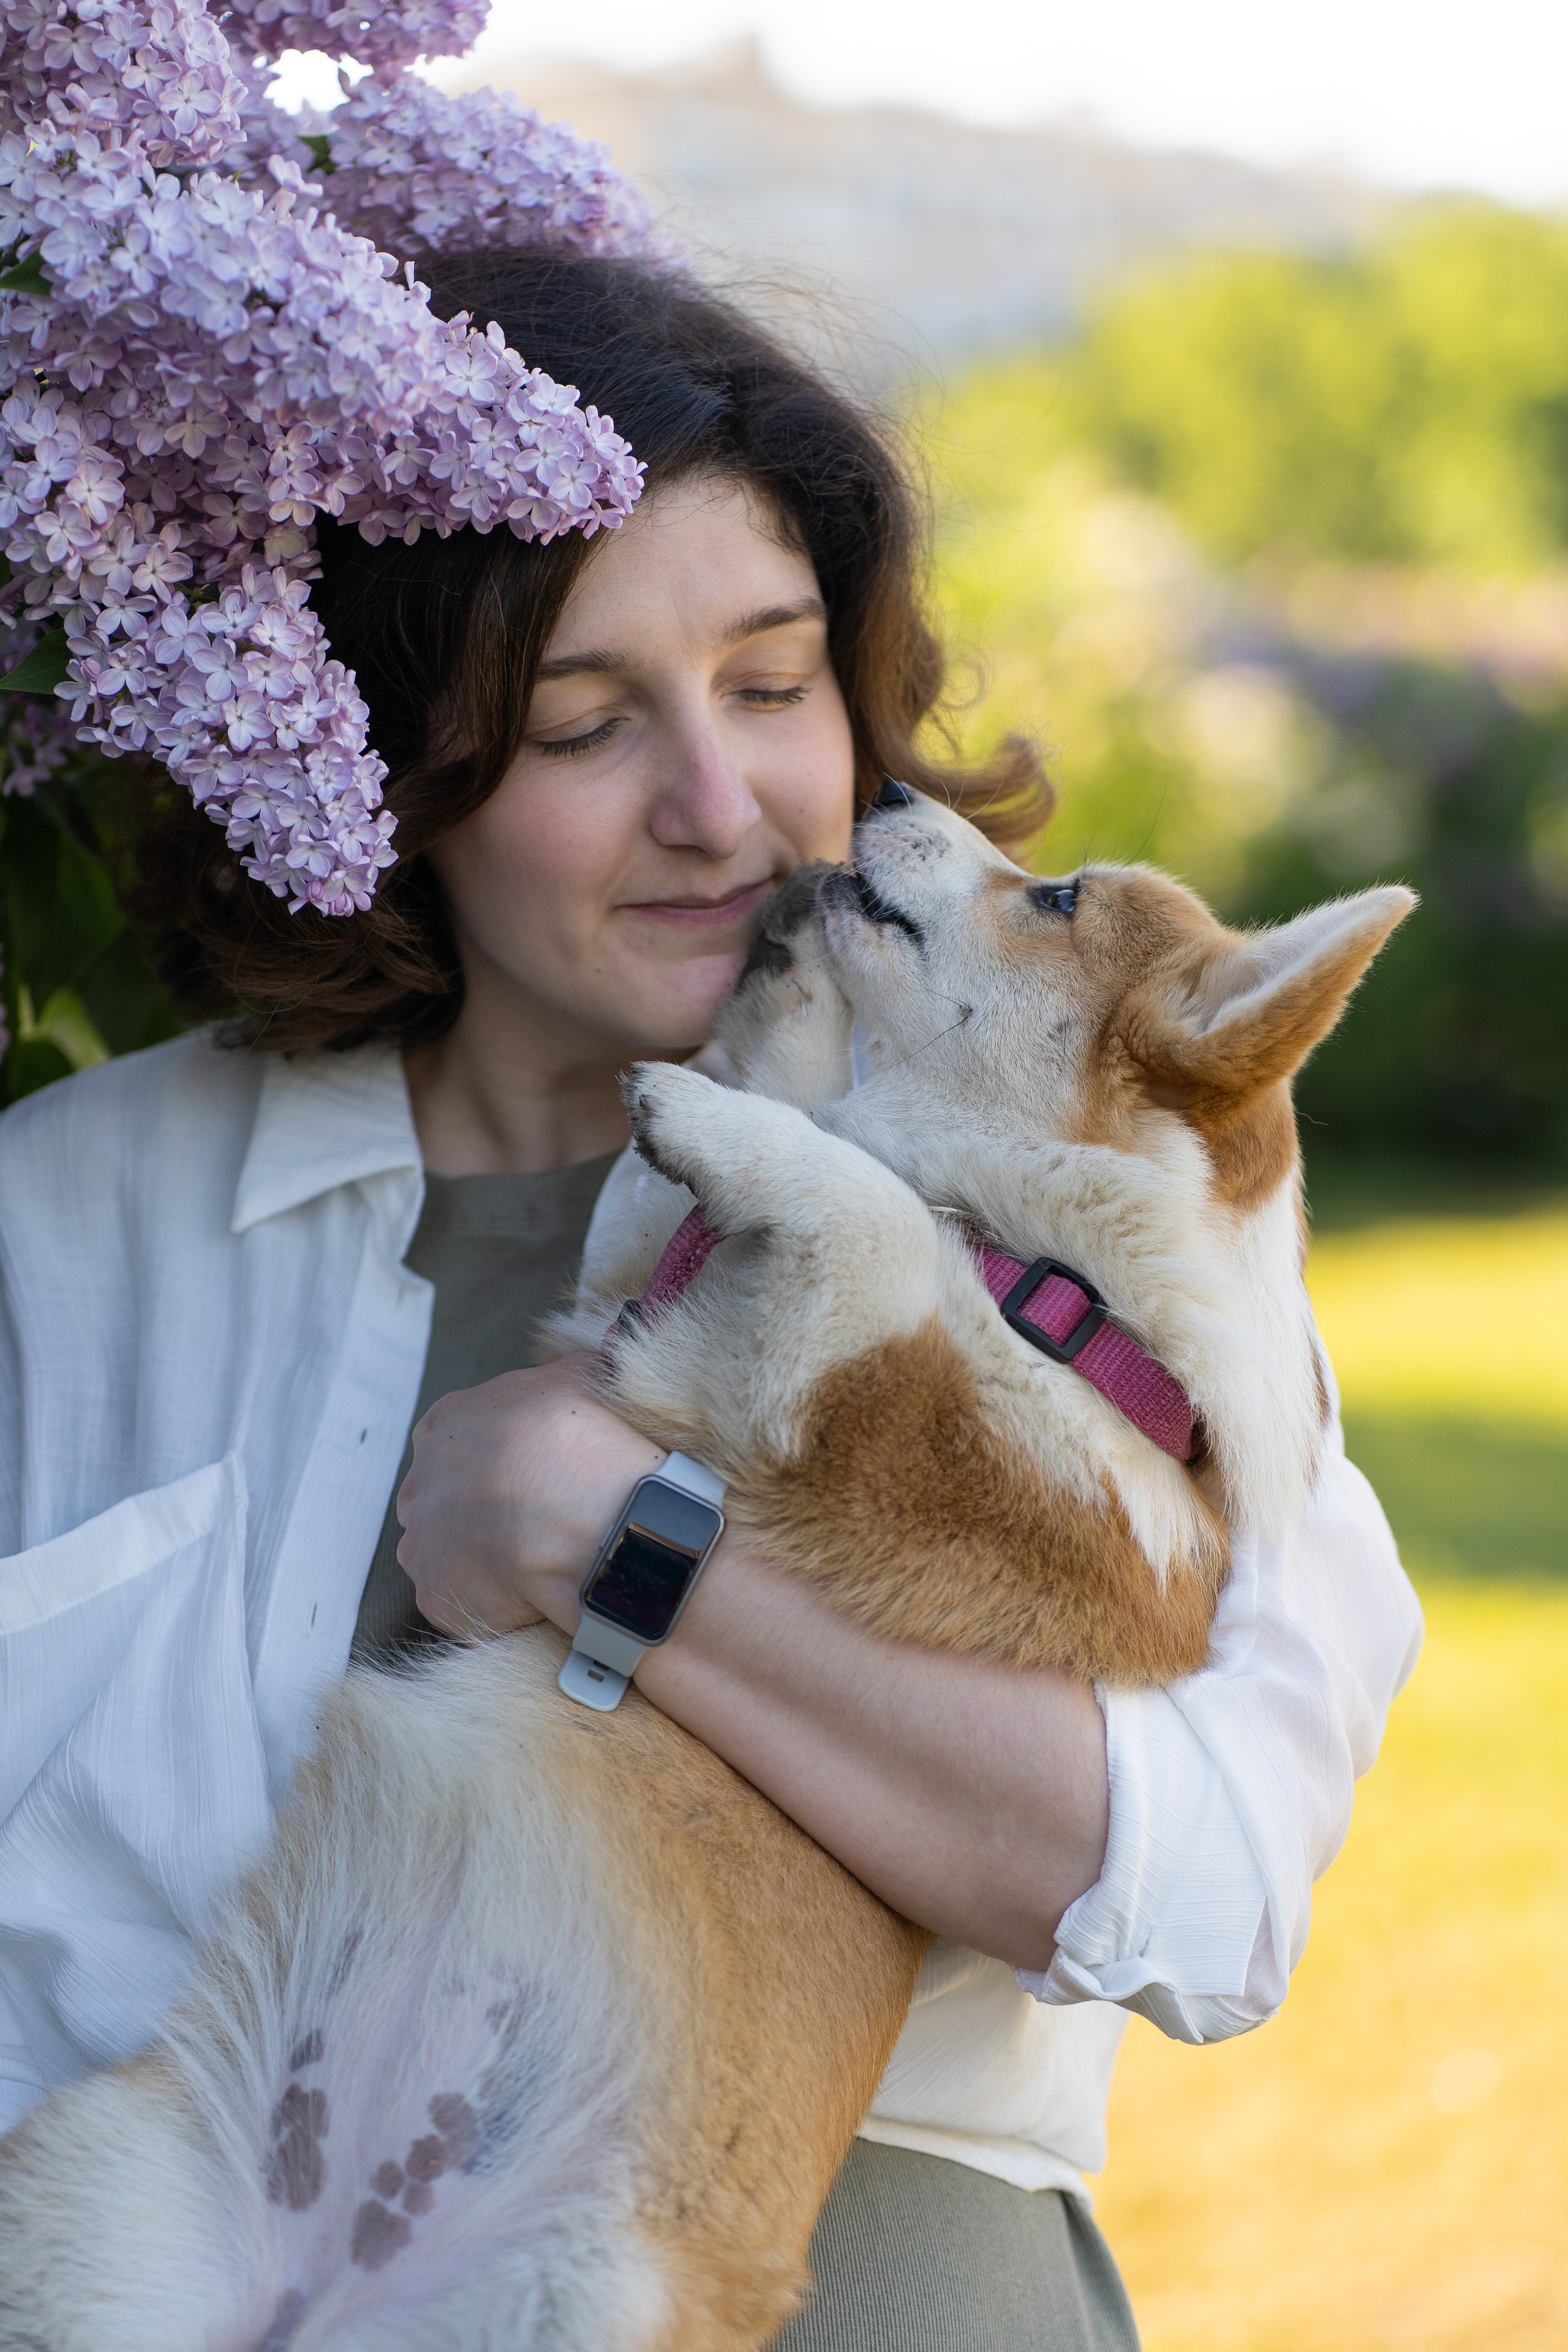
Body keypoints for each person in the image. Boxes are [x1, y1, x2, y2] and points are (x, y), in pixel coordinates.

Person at [0, 251, 1422, 2349]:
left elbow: (1207, 1896)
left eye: (773, 687)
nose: (722, 808)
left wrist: (623, 1553)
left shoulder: (1075, 1250)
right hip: (159, 2216)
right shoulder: (69, 1219)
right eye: (585, 722)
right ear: (391, 766)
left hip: (798, 2254)